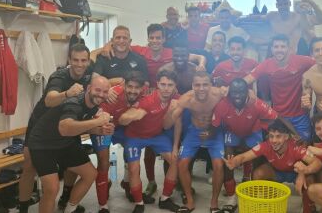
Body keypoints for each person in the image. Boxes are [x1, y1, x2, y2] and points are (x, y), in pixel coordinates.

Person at [18, 44, 92, 213]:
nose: (79, 64)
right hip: (41, 125)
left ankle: (66, 200)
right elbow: (49, 100)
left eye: (83, 60)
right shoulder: (59, 77)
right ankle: (23, 209)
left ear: (88, 61)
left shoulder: (88, 70)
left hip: (66, 122)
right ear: (69, 60)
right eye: (75, 60)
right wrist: (67, 93)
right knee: (29, 166)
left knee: (74, 160)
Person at [27, 76, 113, 213]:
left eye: (105, 91)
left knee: (90, 174)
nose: (101, 94)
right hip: (42, 143)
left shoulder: (94, 104)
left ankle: (70, 209)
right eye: (98, 90)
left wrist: (100, 130)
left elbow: (79, 125)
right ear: (89, 88)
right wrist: (97, 122)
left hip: (64, 142)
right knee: (52, 189)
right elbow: (65, 128)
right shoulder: (74, 101)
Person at [212, 78, 299, 211]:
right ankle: (231, 196)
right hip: (232, 132)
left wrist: (295, 134)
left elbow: (279, 118)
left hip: (253, 131)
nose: (237, 96)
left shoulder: (257, 104)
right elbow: (214, 126)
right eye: (234, 92)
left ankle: (255, 188)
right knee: (228, 161)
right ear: (229, 92)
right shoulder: (222, 104)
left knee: (258, 161)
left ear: (248, 92)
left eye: (241, 92)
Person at [117, 70, 181, 213]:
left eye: (170, 85)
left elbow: (178, 123)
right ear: (157, 84)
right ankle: (139, 203)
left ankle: (164, 199)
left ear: (175, 86)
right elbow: (125, 118)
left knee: (175, 160)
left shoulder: (177, 98)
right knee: (134, 168)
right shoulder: (148, 100)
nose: (166, 88)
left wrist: (176, 146)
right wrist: (131, 116)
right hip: (135, 136)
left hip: (157, 136)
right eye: (163, 84)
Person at [223, 120, 316, 213]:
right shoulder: (266, 145)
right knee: (258, 173)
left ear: (286, 137)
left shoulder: (296, 147)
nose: (274, 140)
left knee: (309, 180)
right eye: (271, 136)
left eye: (278, 136)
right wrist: (234, 162)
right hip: (276, 171)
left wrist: (303, 172)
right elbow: (244, 156)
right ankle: (267, 204)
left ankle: (309, 208)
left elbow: (316, 161)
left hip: (294, 173)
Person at [90, 71, 148, 213]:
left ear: (142, 88)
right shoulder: (113, 95)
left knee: (132, 156)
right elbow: (96, 119)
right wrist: (102, 123)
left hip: (123, 127)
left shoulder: (145, 91)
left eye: (136, 88)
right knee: (104, 162)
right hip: (103, 127)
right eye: (129, 87)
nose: (133, 91)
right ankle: (102, 205)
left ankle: (128, 185)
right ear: (124, 85)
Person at [171, 71, 226, 213]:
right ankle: (189, 200)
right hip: (194, 131)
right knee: (182, 163)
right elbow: (174, 120)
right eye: (197, 85)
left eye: (205, 84)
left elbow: (234, 104)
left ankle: (214, 203)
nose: (201, 88)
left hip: (214, 130)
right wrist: (175, 146)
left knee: (219, 165)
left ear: (211, 85)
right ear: (192, 85)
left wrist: (213, 130)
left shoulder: (219, 94)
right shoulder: (186, 99)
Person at [244, 34, 316, 142]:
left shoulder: (301, 60)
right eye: (276, 47)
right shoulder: (266, 64)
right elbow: (245, 80)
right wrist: (245, 90)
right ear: (272, 49)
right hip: (279, 116)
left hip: (300, 115)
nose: (279, 50)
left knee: (304, 146)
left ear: (289, 48)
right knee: (282, 148)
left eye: (282, 47)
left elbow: (321, 64)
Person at [94, 23, 206, 88]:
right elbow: (121, 46)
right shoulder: (139, 50)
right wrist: (108, 45)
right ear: (148, 39)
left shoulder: (173, 53)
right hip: (147, 91)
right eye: (152, 38)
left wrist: (201, 65)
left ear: (163, 39)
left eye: (158, 38)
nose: (155, 41)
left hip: (166, 89)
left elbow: (199, 57)